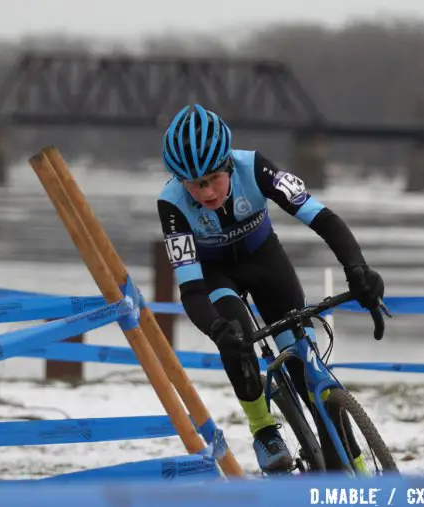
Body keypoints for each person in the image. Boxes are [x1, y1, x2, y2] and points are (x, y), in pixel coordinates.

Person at [156, 104, 385, 474]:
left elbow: (323, 218)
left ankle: (354, 470)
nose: (207, 191)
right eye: (195, 185)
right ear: (180, 181)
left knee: (307, 371)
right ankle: (263, 428)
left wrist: (357, 269)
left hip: (265, 261)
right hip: (216, 276)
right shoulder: (171, 203)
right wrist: (216, 330)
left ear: (228, 165)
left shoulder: (256, 168)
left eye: (214, 178)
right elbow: (192, 289)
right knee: (236, 335)